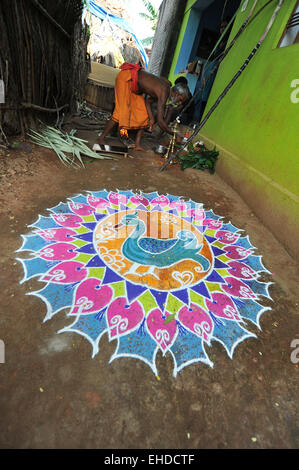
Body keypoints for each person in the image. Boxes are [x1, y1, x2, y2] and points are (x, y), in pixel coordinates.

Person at [97, 62, 189, 151]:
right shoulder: (164, 92)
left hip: (134, 87)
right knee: (119, 113)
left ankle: (137, 145)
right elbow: (161, 122)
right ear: (176, 93)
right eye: (180, 99)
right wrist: (174, 134)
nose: (179, 103)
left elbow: (148, 101)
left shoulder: (165, 89)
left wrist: (151, 119)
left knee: (143, 116)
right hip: (126, 79)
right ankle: (102, 137)